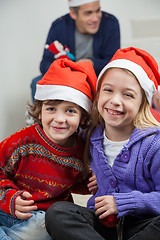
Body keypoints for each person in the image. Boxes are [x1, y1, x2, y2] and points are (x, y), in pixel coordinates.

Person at [45, 47, 160, 240]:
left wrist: (123, 202)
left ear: (142, 103)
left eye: (128, 95)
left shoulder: (153, 144)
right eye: (108, 90)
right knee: (57, 213)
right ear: (98, 95)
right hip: (102, 225)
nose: (115, 101)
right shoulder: (91, 135)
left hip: (143, 225)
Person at [0, 59, 97, 240]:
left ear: (83, 117)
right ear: (40, 111)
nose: (59, 119)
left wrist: (92, 185)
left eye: (70, 111)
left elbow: (79, 181)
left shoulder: (81, 152)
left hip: (45, 219)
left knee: (45, 230)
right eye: (51, 108)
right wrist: (9, 198)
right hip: (8, 210)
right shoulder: (22, 142)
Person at [30, 0, 120, 102]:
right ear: (73, 13)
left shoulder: (110, 23)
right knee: (36, 82)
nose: (95, 18)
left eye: (98, 10)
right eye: (88, 13)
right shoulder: (59, 27)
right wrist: (65, 69)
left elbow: (114, 64)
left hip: (97, 76)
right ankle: (41, 117)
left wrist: (91, 64)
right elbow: (45, 64)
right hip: (66, 77)